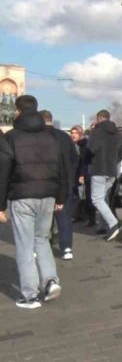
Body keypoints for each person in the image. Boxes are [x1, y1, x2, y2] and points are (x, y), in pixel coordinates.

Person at [0, 96, 68, 309]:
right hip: (48, 195)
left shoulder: (10, 137)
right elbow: (62, 169)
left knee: (25, 245)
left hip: (22, 196)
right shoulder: (52, 138)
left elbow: (3, 172)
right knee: (42, 239)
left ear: (18, 111)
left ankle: (30, 295)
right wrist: (61, 198)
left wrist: (0, 205)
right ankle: (50, 280)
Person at [39, 111, 79, 261]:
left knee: (43, 217)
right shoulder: (64, 137)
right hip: (65, 182)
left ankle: (42, 245)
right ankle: (67, 247)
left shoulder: (38, 137)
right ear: (51, 120)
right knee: (64, 217)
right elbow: (75, 159)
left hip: (45, 183)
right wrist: (71, 175)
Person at [87, 109, 122, 242]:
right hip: (111, 170)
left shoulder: (96, 132)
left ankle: (113, 224)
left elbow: (89, 149)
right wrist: (115, 161)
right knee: (104, 199)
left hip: (98, 169)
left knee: (97, 199)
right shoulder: (117, 134)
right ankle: (105, 225)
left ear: (99, 119)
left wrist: (89, 162)